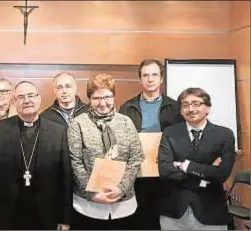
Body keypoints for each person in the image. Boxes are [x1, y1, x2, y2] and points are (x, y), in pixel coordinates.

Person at [0, 81, 72, 230]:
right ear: (14, 102)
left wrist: (65, 218)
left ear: (39, 98)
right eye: (21, 97)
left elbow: (66, 177)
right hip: (9, 212)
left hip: (46, 213)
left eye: (31, 95)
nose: (27, 101)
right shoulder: (0, 128)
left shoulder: (58, 131)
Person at [68, 74, 144, 230]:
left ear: (114, 96)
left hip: (124, 205)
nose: (102, 103)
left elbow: (136, 158)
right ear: (89, 98)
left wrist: (122, 188)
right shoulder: (78, 124)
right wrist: (92, 193)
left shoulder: (125, 122)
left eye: (108, 97)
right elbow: (75, 162)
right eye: (96, 98)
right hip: (88, 206)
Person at [158, 87, 236, 230]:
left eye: (196, 104)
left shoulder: (224, 135)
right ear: (181, 111)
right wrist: (207, 174)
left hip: (211, 211)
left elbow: (222, 174)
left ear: (207, 108)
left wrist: (186, 166)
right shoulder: (170, 133)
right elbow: (164, 170)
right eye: (185, 105)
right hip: (174, 212)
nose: (191, 109)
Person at [118, 59, 183, 230]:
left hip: (166, 173)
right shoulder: (127, 107)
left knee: (164, 220)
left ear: (161, 79)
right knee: (139, 220)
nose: (150, 79)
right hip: (137, 173)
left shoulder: (176, 107)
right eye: (145, 75)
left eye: (154, 74)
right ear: (140, 80)